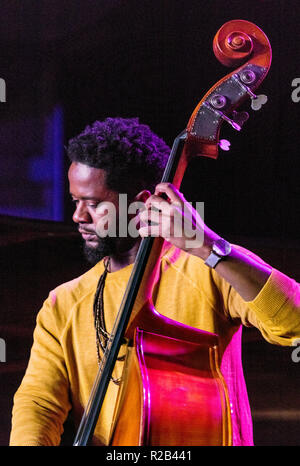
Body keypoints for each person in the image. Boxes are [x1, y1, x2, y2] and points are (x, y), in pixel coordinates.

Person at [9, 117, 300, 446]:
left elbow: (295, 322)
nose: (78, 216)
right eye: (76, 201)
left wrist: (209, 247)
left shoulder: (207, 268)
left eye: (94, 204)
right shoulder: (64, 303)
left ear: (142, 203)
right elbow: (38, 403)